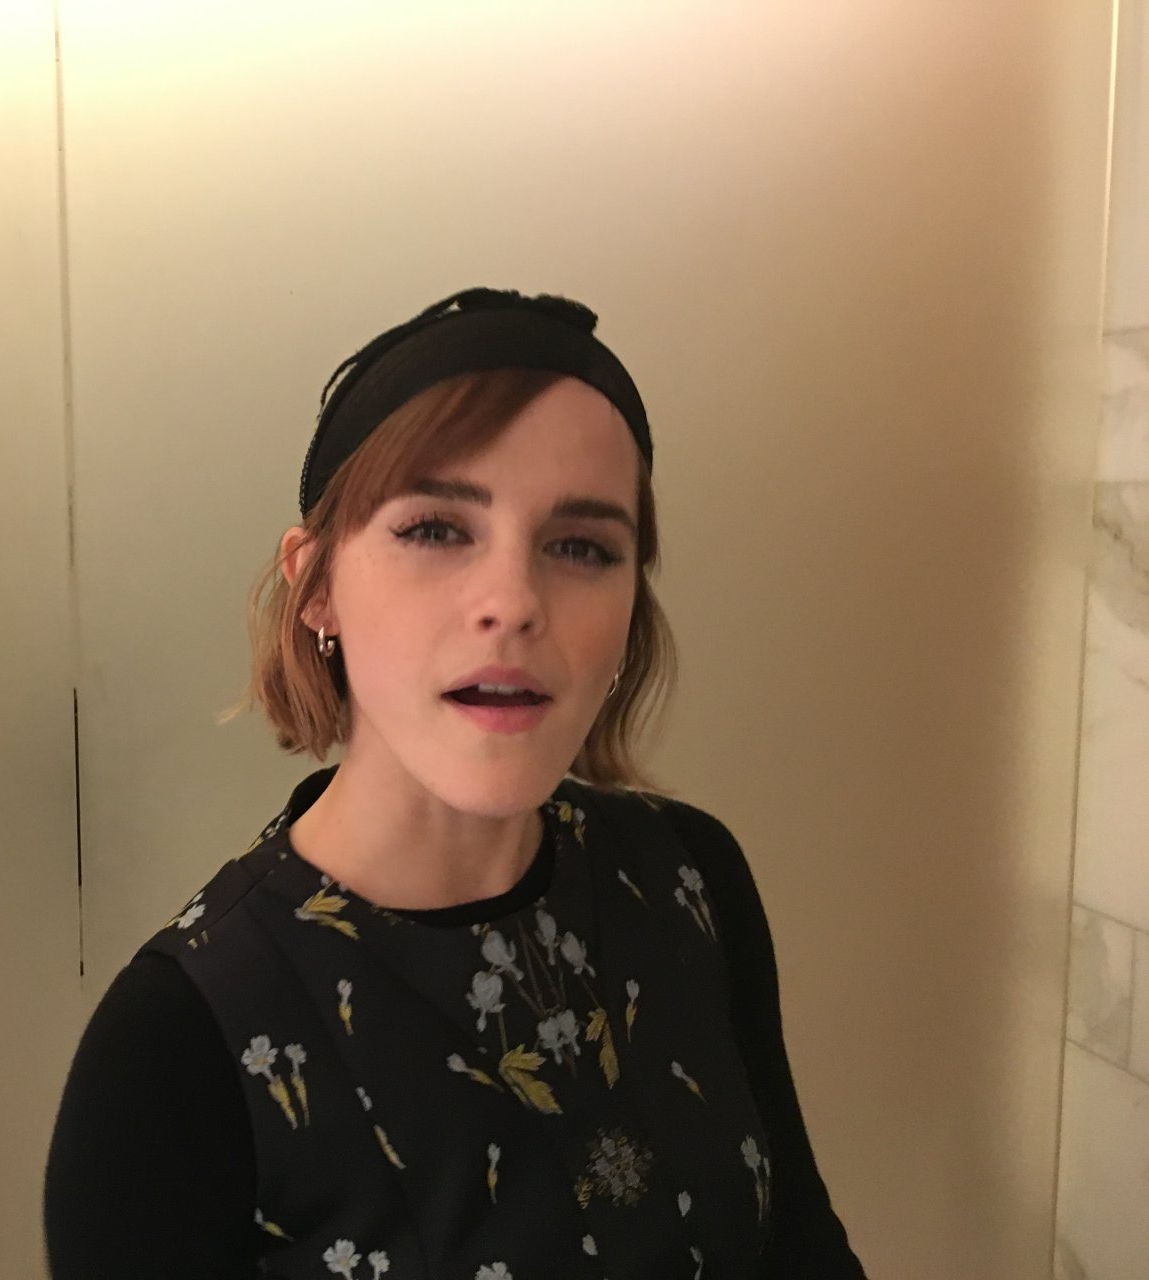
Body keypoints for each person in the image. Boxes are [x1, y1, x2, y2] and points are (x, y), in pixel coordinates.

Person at [42, 287, 868, 1278]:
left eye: (581, 547)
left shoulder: (689, 878)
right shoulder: (177, 1044)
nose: (512, 602)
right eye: (435, 529)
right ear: (316, 587)